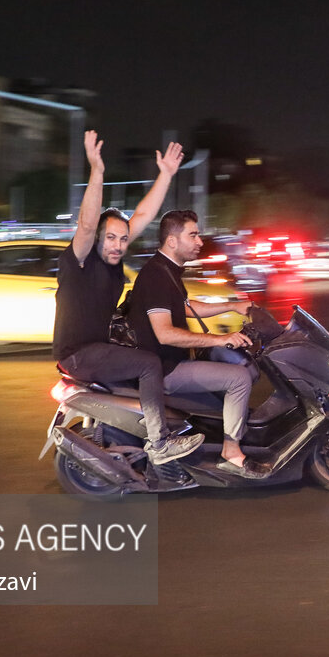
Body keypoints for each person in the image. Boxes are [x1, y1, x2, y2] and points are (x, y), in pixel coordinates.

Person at [52, 130, 204, 466]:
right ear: (97, 240)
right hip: (78, 353)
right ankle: (159, 442)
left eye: (123, 239)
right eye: (111, 238)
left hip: (98, 346)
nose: (118, 245)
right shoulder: (80, 261)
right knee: (149, 364)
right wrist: (97, 171)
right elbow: (88, 223)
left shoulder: (114, 259)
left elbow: (144, 216)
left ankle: (137, 431)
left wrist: (165, 174)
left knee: (147, 357)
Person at [124, 209, 263, 479]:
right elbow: (165, 334)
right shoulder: (156, 277)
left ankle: (221, 432)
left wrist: (232, 307)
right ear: (172, 241)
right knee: (239, 378)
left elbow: (186, 309)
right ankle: (231, 452)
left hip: (174, 360)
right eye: (193, 235)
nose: (200, 242)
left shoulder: (167, 270)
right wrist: (221, 338)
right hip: (166, 368)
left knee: (229, 362)